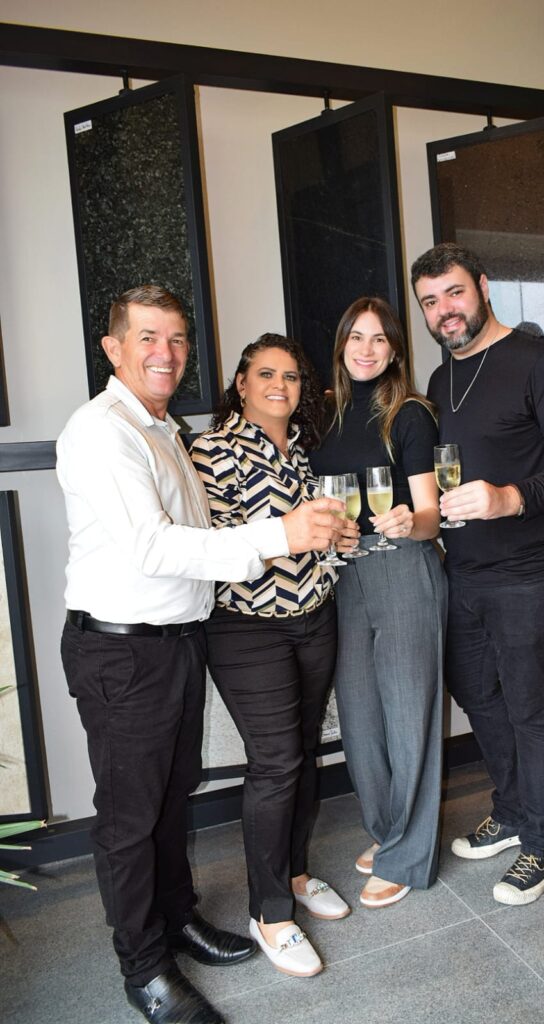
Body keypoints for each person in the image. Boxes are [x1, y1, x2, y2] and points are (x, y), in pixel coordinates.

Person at [57, 286, 345, 1024]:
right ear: (114, 347)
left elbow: (198, 545)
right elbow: (153, 548)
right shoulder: (101, 431)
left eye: (177, 339)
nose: (166, 352)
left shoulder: (163, 430)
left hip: (178, 641)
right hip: (121, 649)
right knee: (129, 818)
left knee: (170, 798)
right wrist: (280, 536)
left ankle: (178, 920)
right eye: (148, 337)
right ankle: (145, 971)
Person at [411, 243, 544, 906]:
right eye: (430, 301)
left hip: (533, 571)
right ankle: (515, 808)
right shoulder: (440, 381)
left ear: (483, 287)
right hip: (464, 569)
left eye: (454, 293)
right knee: (476, 692)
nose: (444, 310)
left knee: (528, 704)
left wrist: (509, 497)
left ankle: (541, 843)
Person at [190, 334, 357, 978]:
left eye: (291, 376)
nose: (280, 386)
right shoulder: (211, 450)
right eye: (266, 374)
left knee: (303, 751)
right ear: (241, 384)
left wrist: (339, 540)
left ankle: (295, 873)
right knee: (277, 761)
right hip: (246, 627)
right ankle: (269, 913)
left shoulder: (304, 451)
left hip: (314, 618)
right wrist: (292, 535)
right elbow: (212, 544)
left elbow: (322, 537)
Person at [310, 297, 447, 909]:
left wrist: (408, 522)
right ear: (341, 343)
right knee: (360, 716)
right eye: (356, 337)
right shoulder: (324, 414)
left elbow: (430, 514)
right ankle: (389, 830)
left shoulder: (409, 414)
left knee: (408, 714)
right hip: (343, 571)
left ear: (395, 350)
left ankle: (408, 855)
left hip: (402, 565)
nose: (366, 349)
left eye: (380, 339)